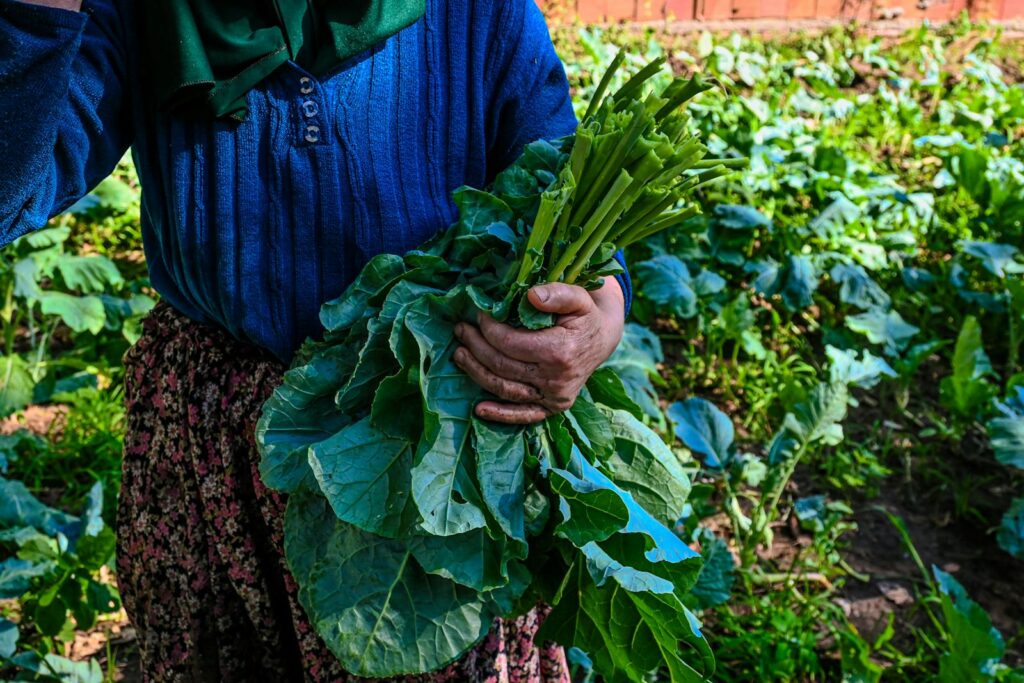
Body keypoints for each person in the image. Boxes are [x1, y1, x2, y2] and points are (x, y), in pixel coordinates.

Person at [0, 0, 632, 680]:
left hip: (424, 442)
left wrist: (599, 318)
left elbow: (561, 194)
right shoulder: (147, 14)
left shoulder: (481, 14)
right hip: (213, 457)